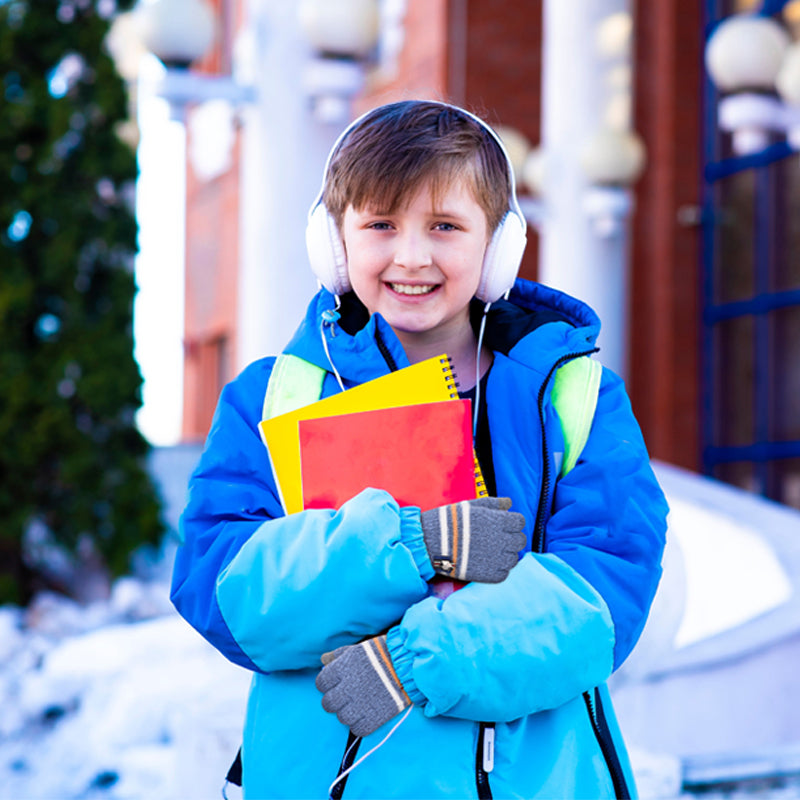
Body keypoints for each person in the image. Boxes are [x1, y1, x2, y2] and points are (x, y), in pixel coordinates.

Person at [171, 99, 668, 800]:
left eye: (445, 226)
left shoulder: (574, 395)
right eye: (380, 224)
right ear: (333, 242)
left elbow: (605, 593)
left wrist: (415, 662)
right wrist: (412, 544)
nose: (412, 256)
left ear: (498, 245)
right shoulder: (275, 395)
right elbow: (222, 590)